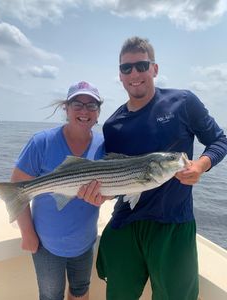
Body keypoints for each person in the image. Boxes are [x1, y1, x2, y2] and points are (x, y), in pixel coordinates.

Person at [78, 37, 227, 300]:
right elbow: (116, 179)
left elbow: (219, 140)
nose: (134, 73)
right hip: (126, 223)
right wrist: (100, 194)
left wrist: (201, 166)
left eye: (141, 65)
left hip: (173, 223)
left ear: (154, 69)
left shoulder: (182, 102)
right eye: (126, 68)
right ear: (120, 76)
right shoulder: (113, 125)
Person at [11, 81, 105, 300]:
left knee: (80, 290)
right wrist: (28, 234)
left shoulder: (103, 145)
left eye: (92, 105)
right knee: (51, 295)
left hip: (84, 242)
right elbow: (17, 190)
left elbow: (110, 186)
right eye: (77, 104)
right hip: (46, 244)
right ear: (66, 108)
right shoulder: (41, 142)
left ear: (98, 112)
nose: (84, 110)